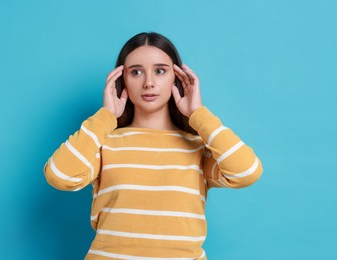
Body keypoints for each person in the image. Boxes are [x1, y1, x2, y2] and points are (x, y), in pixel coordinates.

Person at [43, 32, 263, 259]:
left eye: (160, 71)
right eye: (136, 72)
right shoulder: (103, 144)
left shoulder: (198, 148)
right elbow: (60, 175)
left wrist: (199, 114)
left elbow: (246, 171)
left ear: (176, 78)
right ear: (122, 80)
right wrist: (105, 117)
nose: (148, 83)